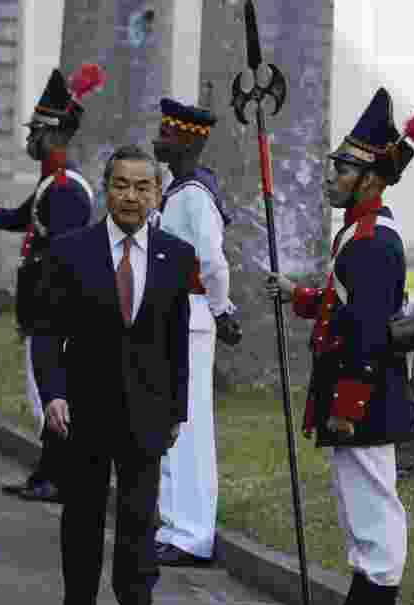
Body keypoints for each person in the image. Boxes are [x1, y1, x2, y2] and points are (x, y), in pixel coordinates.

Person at [264, 87, 414, 605]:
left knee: (375, 511)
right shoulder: (357, 234)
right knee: (359, 512)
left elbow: (368, 333)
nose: (332, 173)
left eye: (344, 166)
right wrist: (299, 296)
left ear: (372, 178)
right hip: (354, 397)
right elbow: (343, 306)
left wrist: (346, 406)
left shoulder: (373, 242)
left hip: (365, 400)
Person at [32, 144, 194, 605]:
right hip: (82, 412)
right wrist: (52, 393)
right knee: (82, 522)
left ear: (156, 194)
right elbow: (47, 333)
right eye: (121, 185)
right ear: (106, 189)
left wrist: (177, 411)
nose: (131, 196)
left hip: (147, 415)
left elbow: (177, 345)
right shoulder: (70, 250)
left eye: (142, 186)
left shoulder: (175, 256)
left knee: (139, 523)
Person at [0, 66, 103, 503]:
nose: (29, 140)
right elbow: (16, 219)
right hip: (40, 306)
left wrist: (52, 312)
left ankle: (58, 476)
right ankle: (47, 472)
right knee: (40, 391)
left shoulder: (65, 188)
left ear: (50, 135)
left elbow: (64, 259)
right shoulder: (51, 182)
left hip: (54, 310)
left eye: (34, 133)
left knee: (48, 391)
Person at [150, 97, 242, 567]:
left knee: (187, 424)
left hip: (190, 316)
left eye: (167, 134)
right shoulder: (176, 189)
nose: (158, 140)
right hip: (173, 315)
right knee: (170, 419)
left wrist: (222, 309)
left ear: (188, 141)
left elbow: (212, 261)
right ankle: (172, 524)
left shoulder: (195, 195)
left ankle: (192, 533)